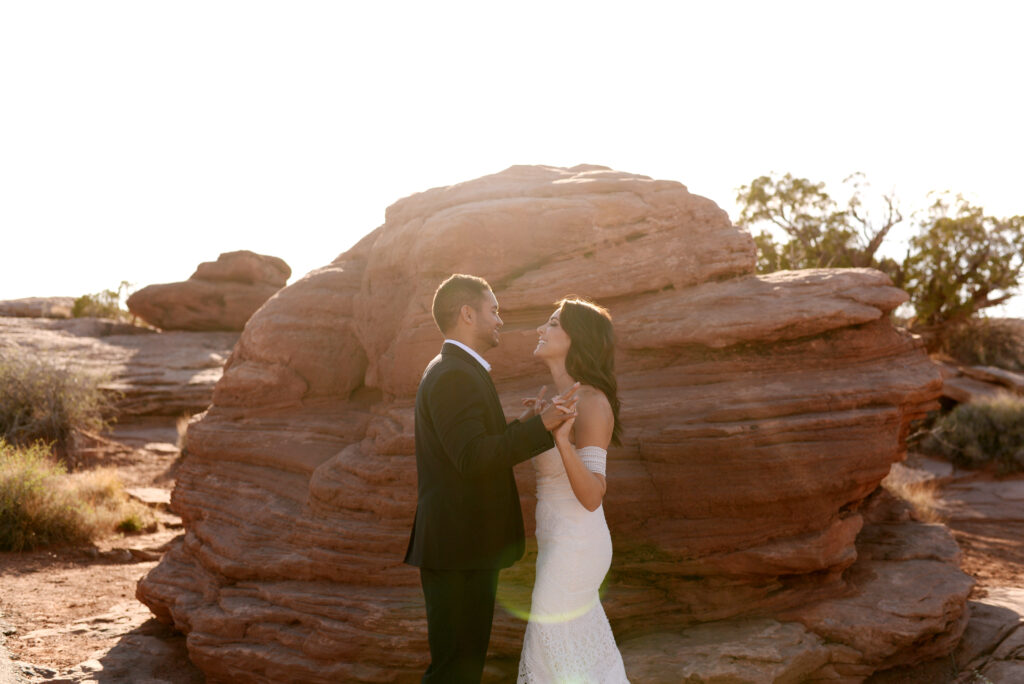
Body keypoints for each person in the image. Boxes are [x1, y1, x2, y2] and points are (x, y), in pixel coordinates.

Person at [404, 274, 578, 683]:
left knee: (461, 666)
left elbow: (472, 445)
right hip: (458, 550)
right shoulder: (453, 375)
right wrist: (542, 428)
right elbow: (472, 457)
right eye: (494, 310)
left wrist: (527, 423)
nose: (500, 320)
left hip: (461, 547)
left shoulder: (458, 369)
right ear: (467, 314)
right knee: (455, 670)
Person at [517, 297, 630, 682]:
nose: (540, 330)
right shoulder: (555, 398)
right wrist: (535, 424)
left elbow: (593, 494)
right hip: (557, 543)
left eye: (552, 324)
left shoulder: (593, 402)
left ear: (576, 338)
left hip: (577, 547)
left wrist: (562, 442)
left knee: (551, 654)